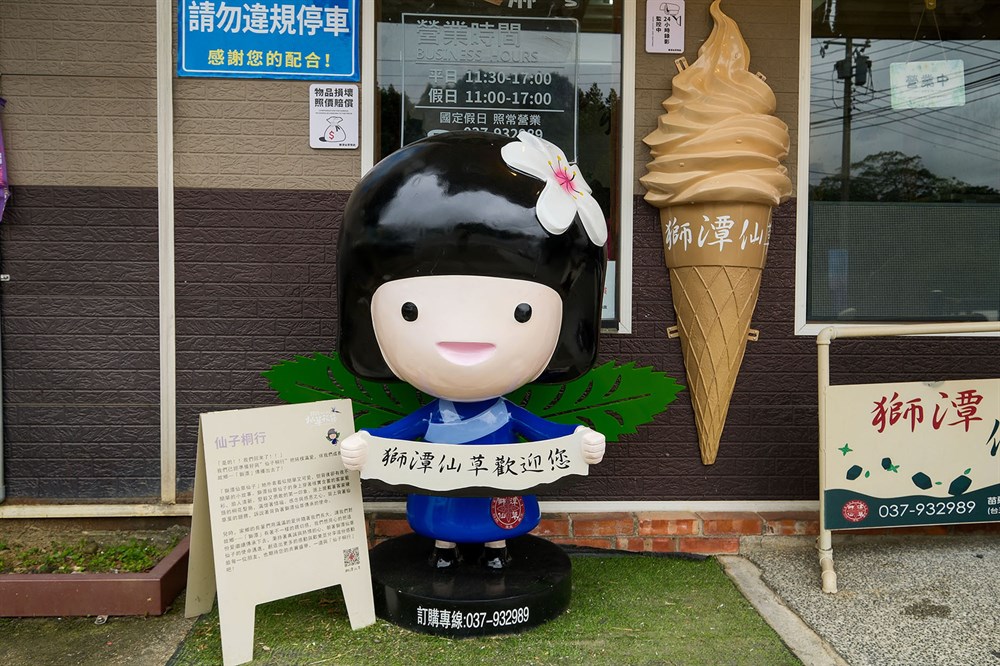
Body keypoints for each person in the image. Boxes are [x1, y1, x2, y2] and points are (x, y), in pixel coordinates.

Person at [337, 131, 607, 570]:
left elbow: (542, 430)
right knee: (442, 521)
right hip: (439, 495)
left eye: (522, 313)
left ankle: (497, 548)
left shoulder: (502, 413)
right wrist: (368, 444)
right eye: (410, 311)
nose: (465, 336)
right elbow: (399, 431)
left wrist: (578, 440)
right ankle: (444, 548)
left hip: (499, 489)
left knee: (496, 520)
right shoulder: (436, 415)